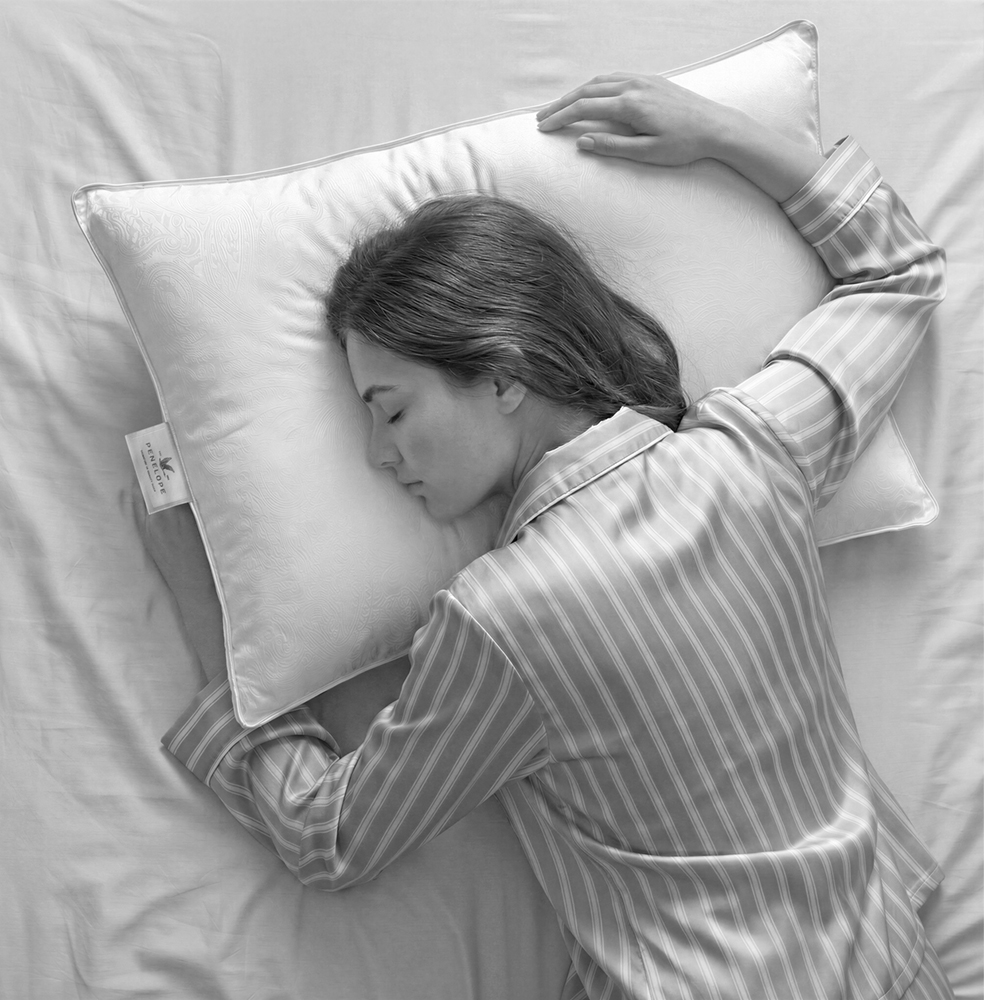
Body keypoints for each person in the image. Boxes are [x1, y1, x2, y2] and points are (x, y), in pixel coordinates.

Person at [164, 74, 950, 999]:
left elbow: (329, 836)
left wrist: (206, 601)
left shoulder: (501, 621)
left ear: (503, 374)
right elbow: (900, 274)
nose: (379, 453)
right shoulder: (750, 452)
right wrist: (725, 135)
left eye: (393, 409)